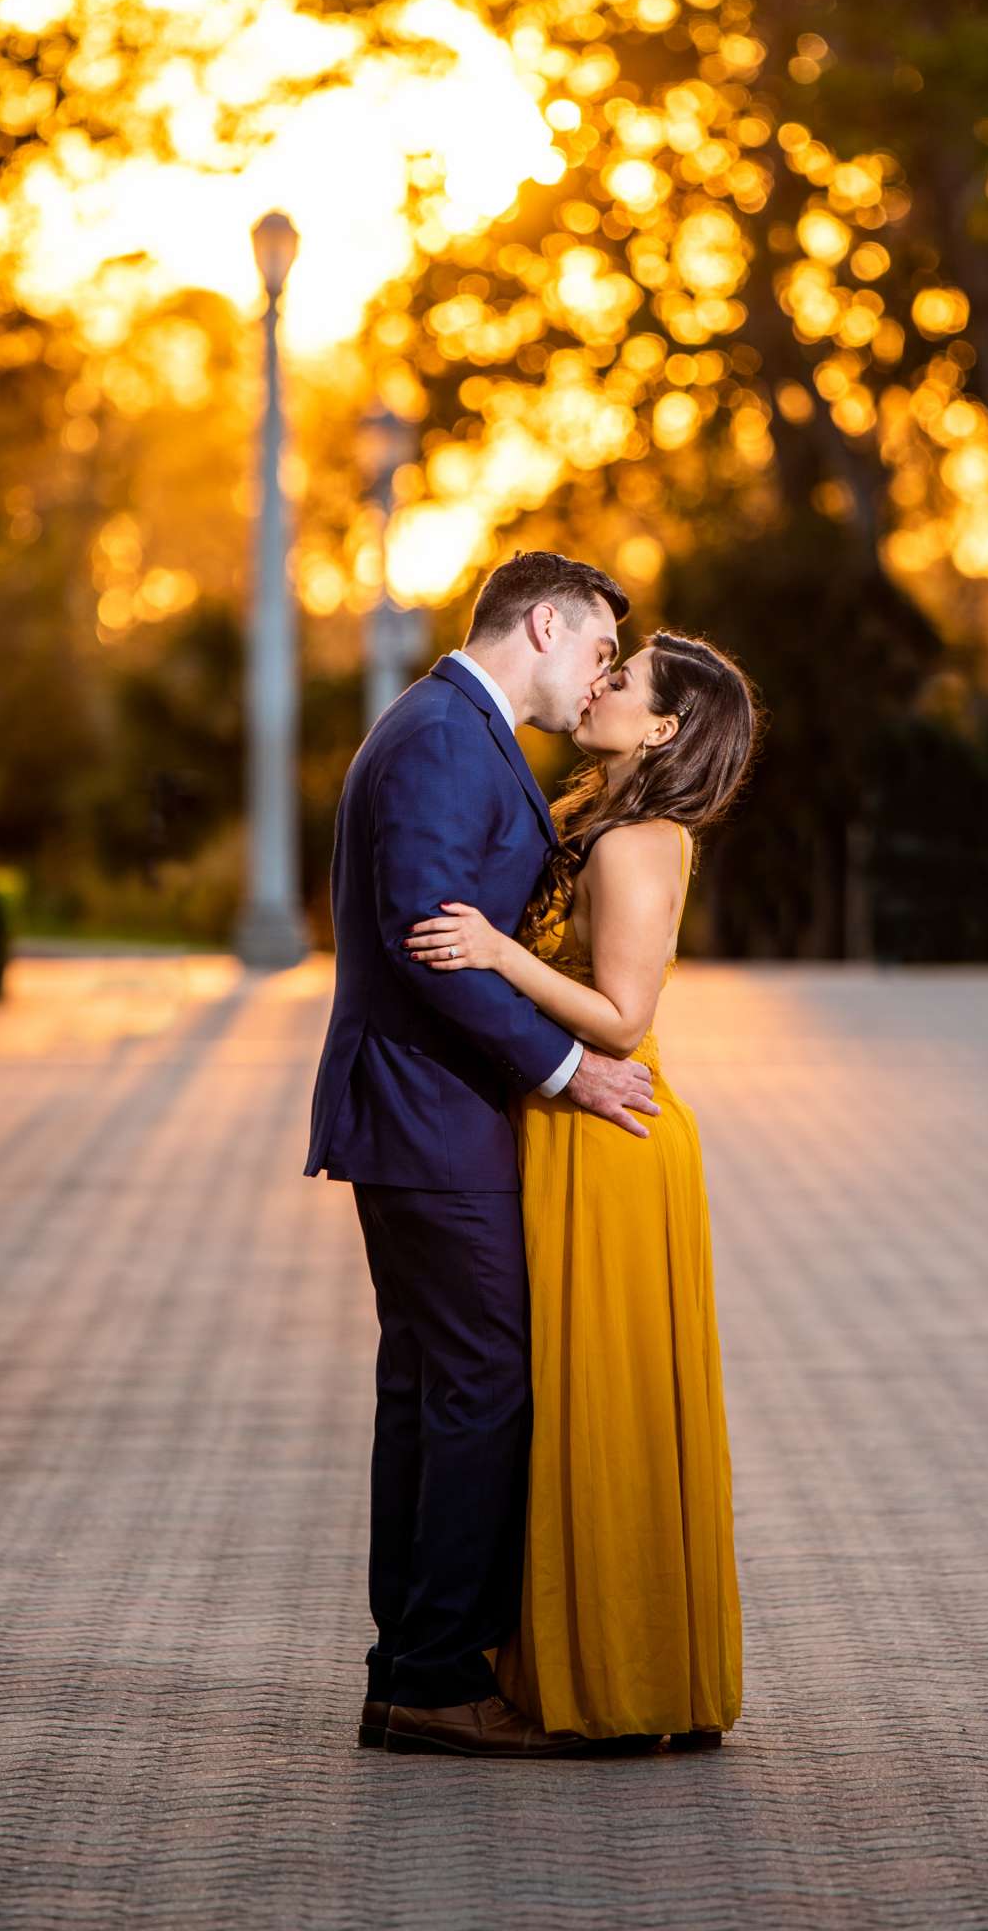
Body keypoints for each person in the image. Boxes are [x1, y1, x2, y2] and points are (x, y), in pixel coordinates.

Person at [305, 551, 659, 1761]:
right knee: (476, 1389)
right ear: (545, 624)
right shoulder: (447, 736)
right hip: (427, 1116)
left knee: (429, 1391)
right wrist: (571, 1070)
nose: (604, 671)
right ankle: (438, 1677)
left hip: (427, 1115)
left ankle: (411, 1668)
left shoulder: (452, 726)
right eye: (601, 648)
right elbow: (424, 941)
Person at [404, 630, 757, 1750]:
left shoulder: (641, 843)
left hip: (608, 1134)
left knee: (600, 1405)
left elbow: (623, 1018)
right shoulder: (587, 816)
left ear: (660, 728)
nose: (599, 685)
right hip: (559, 1131)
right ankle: (584, 1667)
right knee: (566, 1401)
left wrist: (499, 957)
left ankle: (628, 1682)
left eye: (625, 681)